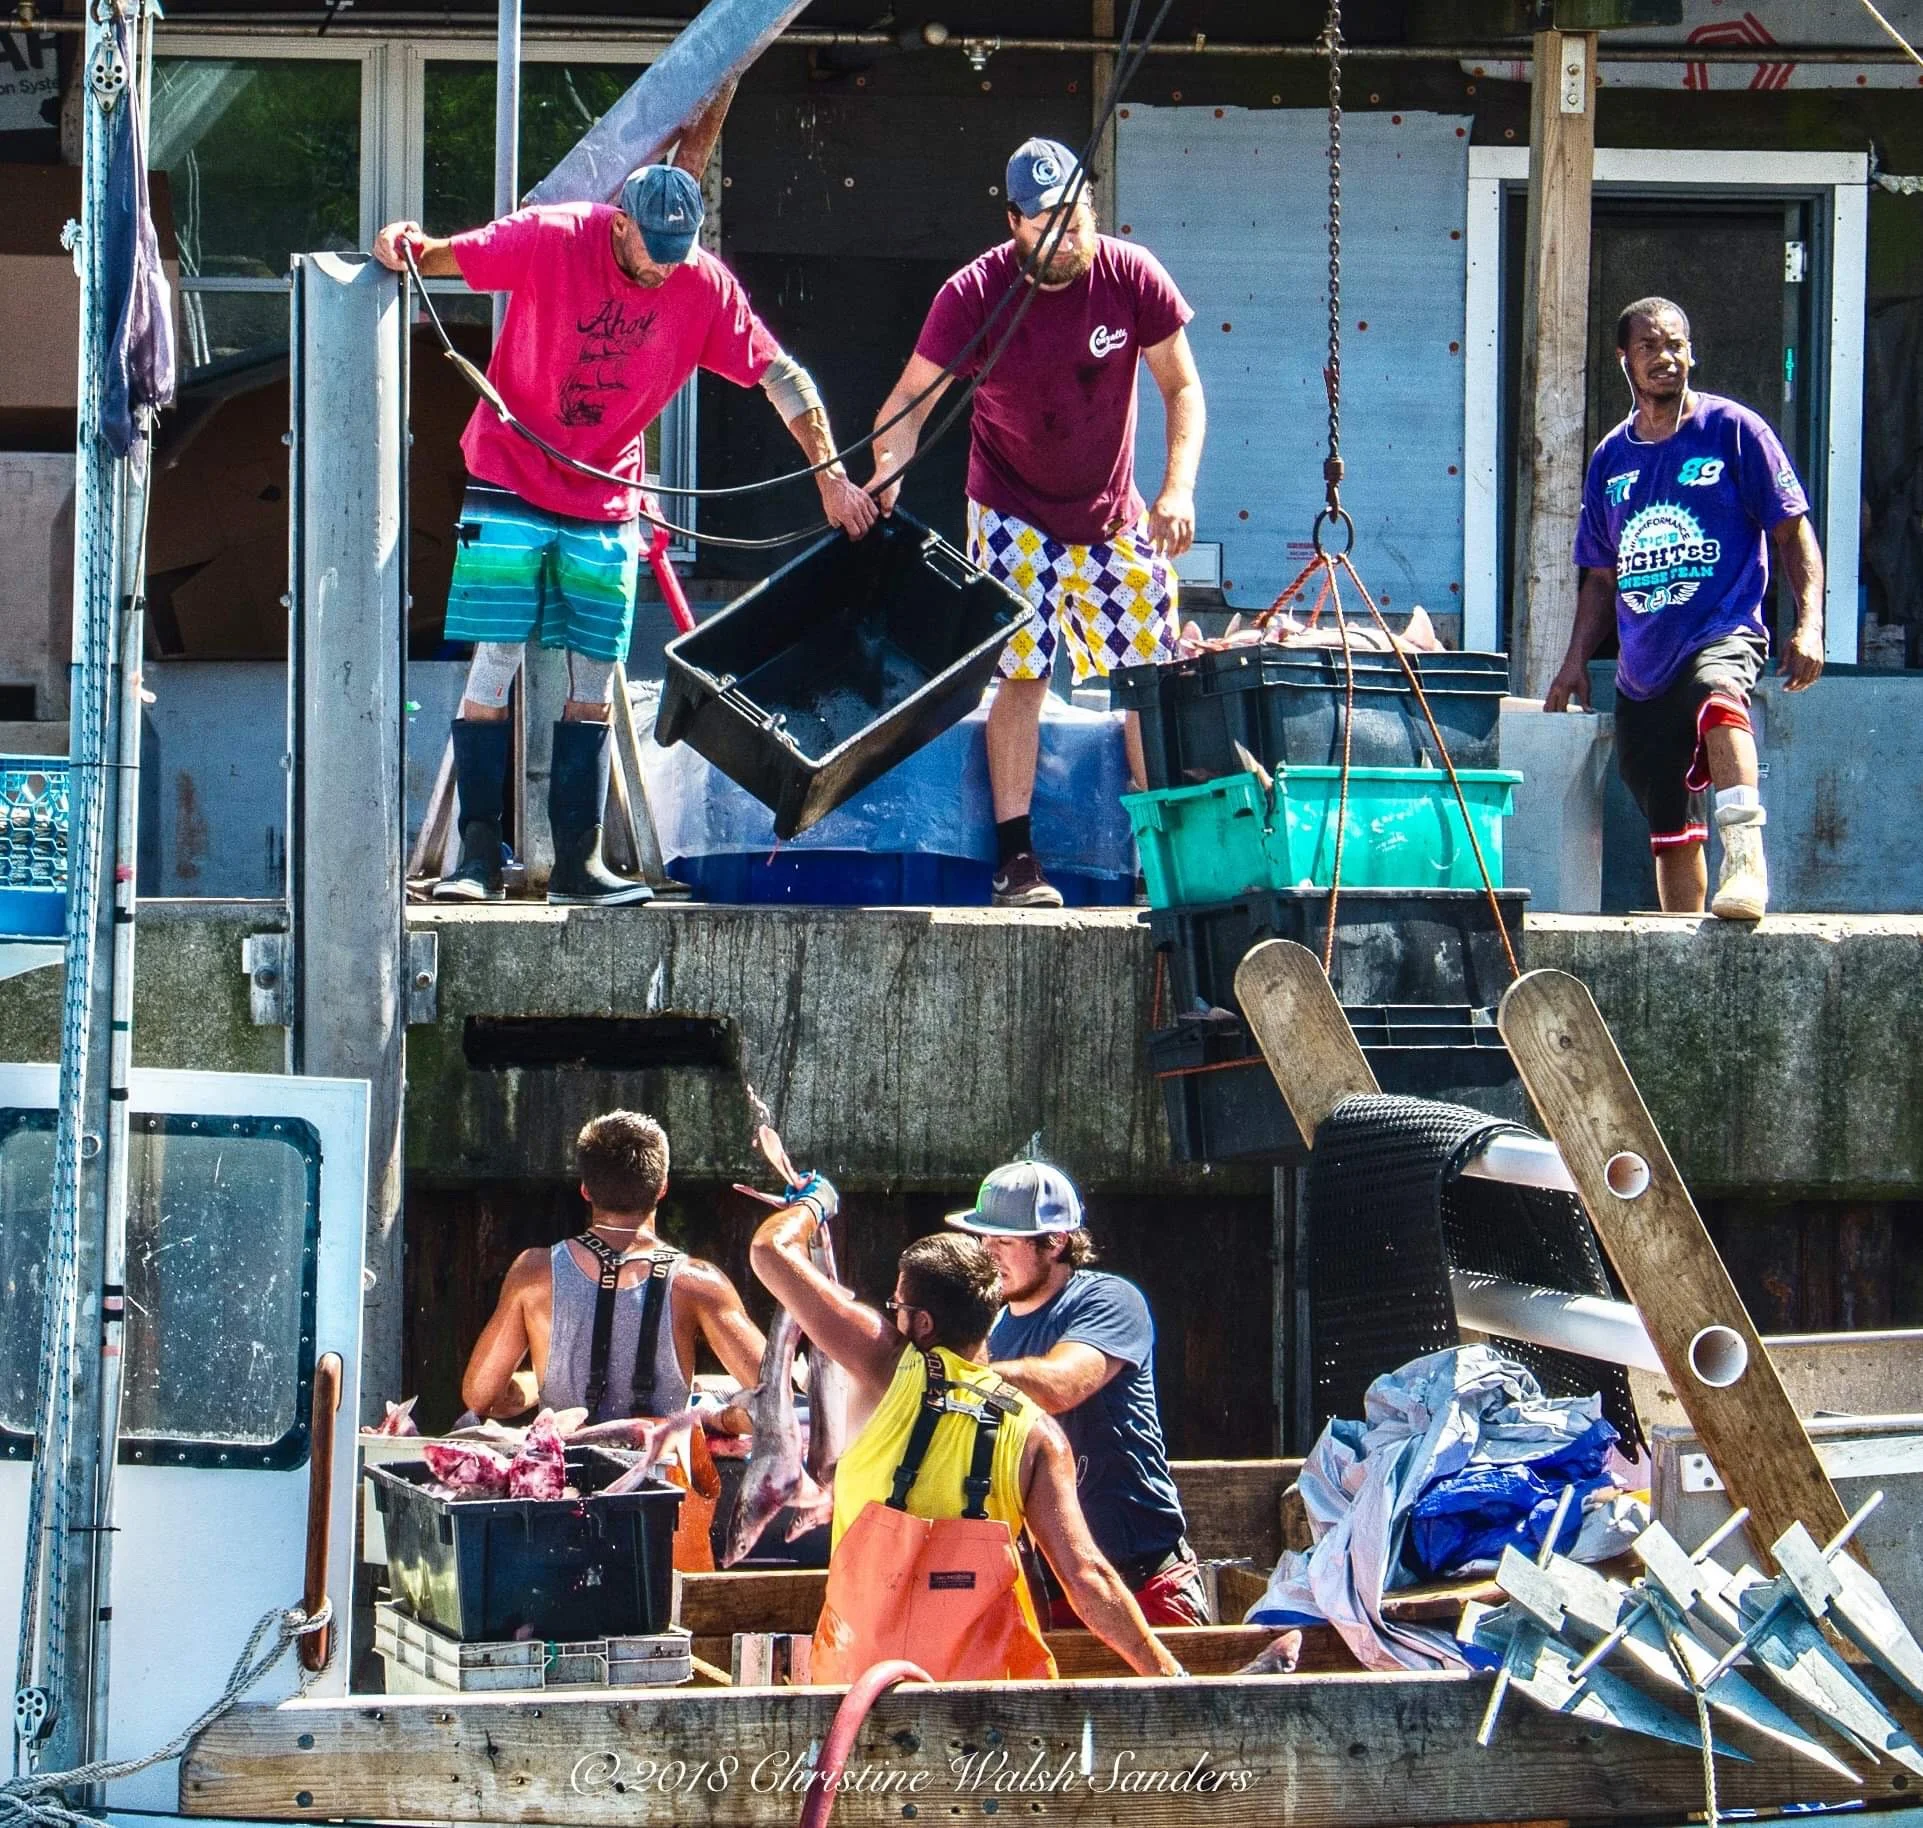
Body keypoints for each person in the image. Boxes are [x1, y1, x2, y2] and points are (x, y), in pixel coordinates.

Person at [373, 164, 877, 908]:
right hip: (510, 471)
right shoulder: (551, 237)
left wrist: (828, 474)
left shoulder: (701, 284)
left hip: (605, 491)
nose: (666, 263)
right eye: (655, 247)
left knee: (593, 673)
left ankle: (578, 861)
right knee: (495, 660)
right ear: (619, 223)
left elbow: (781, 376)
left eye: (681, 246)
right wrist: (404, 244)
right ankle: (475, 855)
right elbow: (448, 255)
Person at [868, 137, 1206, 908]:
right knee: (1022, 671)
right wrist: (888, 470)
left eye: (1076, 217)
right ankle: (1015, 861)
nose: (1067, 235)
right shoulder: (973, 292)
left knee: (1146, 680)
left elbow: (1182, 387)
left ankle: (1165, 862)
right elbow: (907, 402)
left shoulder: (1131, 274)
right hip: (1012, 506)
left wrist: (1176, 489)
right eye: (1046, 221)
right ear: (1014, 221)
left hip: (1111, 509)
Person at [748, 1184, 1186, 1683]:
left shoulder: (884, 1364)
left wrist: (814, 1203)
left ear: (922, 1323)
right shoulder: (1038, 1433)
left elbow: (769, 1251)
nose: (893, 1318)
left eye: (896, 1308)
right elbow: (1089, 1579)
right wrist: (1173, 1677)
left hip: (860, 1682)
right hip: (987, 1700)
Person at [1546, 297, 1824, 920]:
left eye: (1675, 345)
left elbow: (1792, 532)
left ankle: (1747, 860)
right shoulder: (1610, 459)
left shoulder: (1735, 431)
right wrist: (1572, 665)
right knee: (1669, 821)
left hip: (1722, 626)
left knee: (1718, 694)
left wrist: (1809, 623)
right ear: (1625, 360)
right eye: (1649, 347)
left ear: (1691, 352)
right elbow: (1598, 577)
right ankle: (1687, 942)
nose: (1665, 357)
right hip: (1643, 665)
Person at [460, 1109, 767, 1568]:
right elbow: (774, 1395)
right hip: (661, 1513)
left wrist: (540, 1381)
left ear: (585, 1190)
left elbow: (481, 1396)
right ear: (662, 1189)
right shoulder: (699, 1284)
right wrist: (720, 1418)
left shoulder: (534, 1273)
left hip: (558, 1498)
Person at [946, 1159, 1204, 1628]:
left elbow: (1061, 1385)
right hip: (1049, 1593)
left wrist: (950, 1374)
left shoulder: (1108, 1300)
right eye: (983, 1239)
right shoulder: (993, 1330)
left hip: (1142, 1585)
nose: (988, 1255)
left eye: (1003, 1241)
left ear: (1056, 1241)